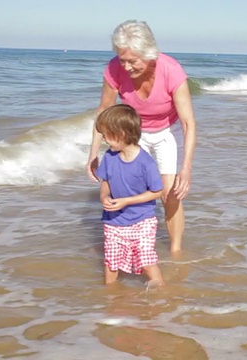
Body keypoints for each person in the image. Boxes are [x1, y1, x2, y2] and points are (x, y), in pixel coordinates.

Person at [86, 20, 196, 254]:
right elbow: (103, 112)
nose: (126, 67)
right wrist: (93, 153)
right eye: (122, 60)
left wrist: (185, 168)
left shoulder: (171, 70)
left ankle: (176, 251)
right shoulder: (114, 68)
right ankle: (128, 244)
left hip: (165, 132)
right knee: (123, 189)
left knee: (169, 194)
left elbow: (188, 122)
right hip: (134, 133)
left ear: (149, 54)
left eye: (132, 61)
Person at [95, 104, 165, 287]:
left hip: (142, 219)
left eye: (106, 135)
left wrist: (127, 201)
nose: (104, 139)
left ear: (121, 134)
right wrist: (104, 197)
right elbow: (105, 182)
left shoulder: (146, 163)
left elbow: (158, 191)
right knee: (111, 261)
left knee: (146, 259)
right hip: (114, 220)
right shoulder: (110, 157)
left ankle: (161, 290)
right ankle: (110, 295)